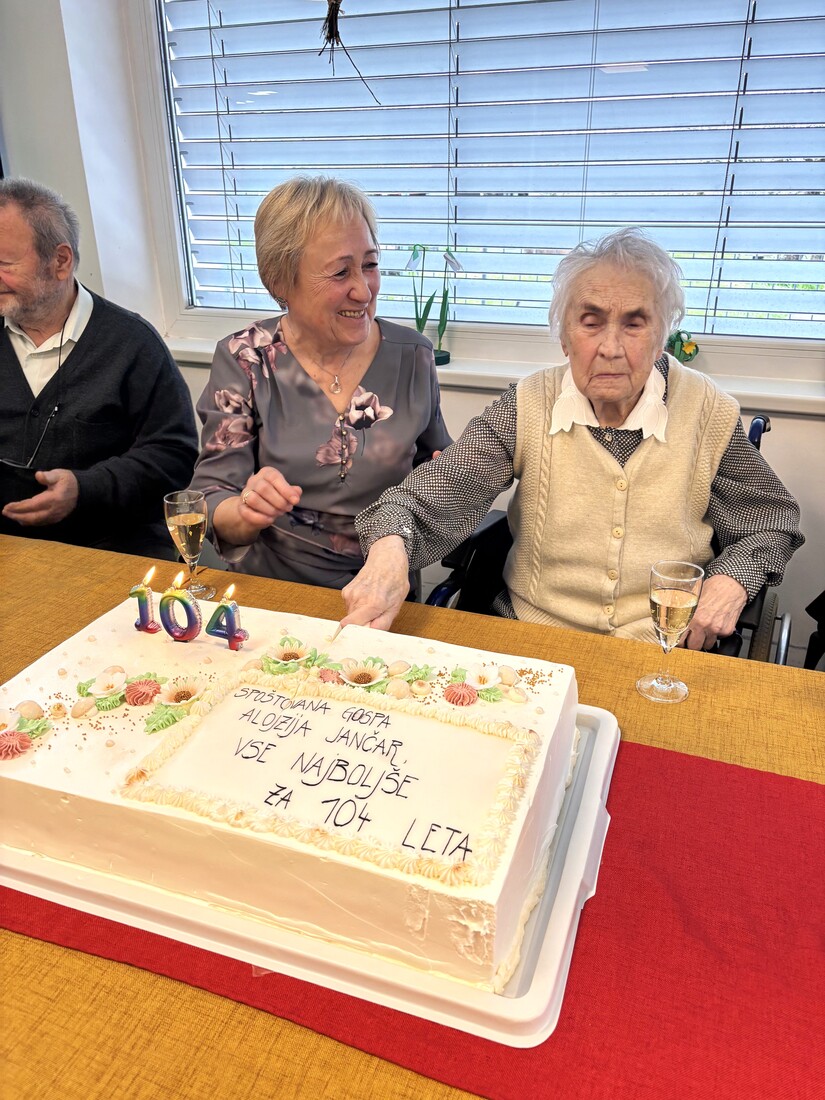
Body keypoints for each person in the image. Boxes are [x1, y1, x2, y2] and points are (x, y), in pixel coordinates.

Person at [342, 228, 803, 651]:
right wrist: (390, 547)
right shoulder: (526, 405)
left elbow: (772, 520)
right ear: (564, 337)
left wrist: (732, 580)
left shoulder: (707, 410)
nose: (611, 348)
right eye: (591, 322)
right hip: (532, 640)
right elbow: (437, 492)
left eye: (635, 323)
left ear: (662, 335)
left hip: (662, 649)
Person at [190, 176, 451, 590]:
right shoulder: (246, 359)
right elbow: (212, 495)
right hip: (275, 593)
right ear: (280, 281)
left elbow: (437, 468)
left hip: (383, 590)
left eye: (370, 265)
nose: (363, 291)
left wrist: (447, 486)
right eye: (340, 272)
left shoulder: (413, 356)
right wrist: (246, 511)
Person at [0, 178, 198, 557]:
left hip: (112, 548)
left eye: (4, 264)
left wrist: (85, 488)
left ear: (60, 261)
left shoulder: (132, 343)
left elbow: (174, 455)